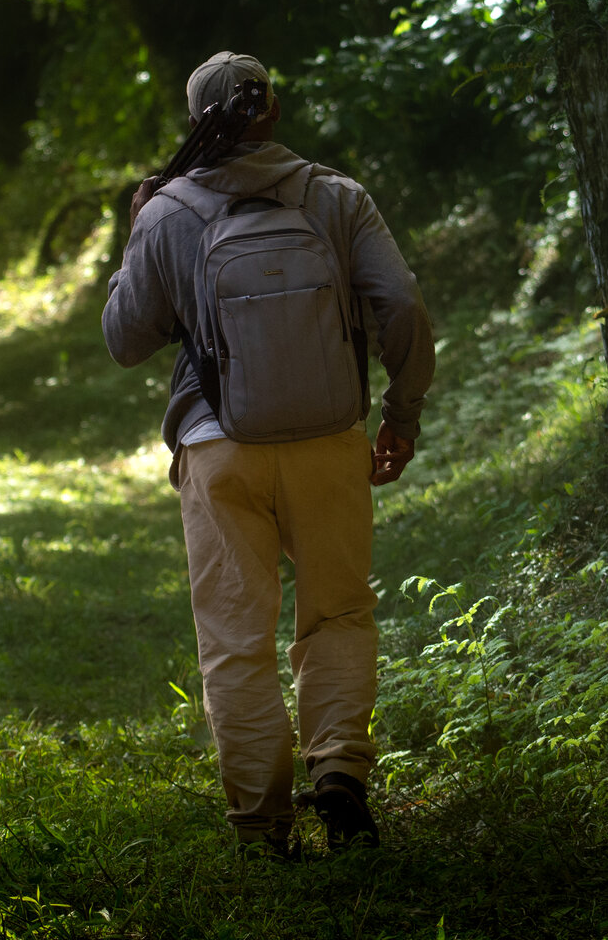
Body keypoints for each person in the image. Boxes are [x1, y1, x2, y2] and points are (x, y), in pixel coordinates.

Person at [102, 51, 434, 857]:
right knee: (339, 611)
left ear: (196, 122)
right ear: (274, 110)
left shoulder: (168, 212)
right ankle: (339, 770)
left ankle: (262, 823)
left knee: (235, 637)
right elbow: (401, 305)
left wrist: (139, 229)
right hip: (329, 438)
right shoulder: (336, 196)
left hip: (219, 447)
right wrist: (402, 413)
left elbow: (125, 340)